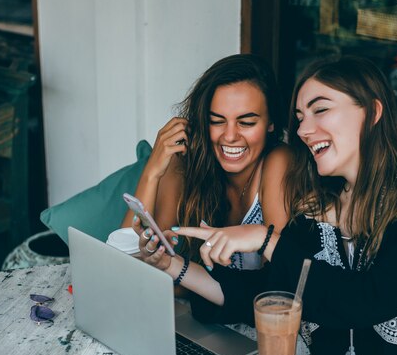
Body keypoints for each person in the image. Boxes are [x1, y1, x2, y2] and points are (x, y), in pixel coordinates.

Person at [136, 56, 397, 355]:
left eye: (320, 110)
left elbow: (365, 299)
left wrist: (266, 239)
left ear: (373, 112)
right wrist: (172, 265)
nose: (302, 129)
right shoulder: (318, 207)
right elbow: (266, 295)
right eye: (300, 117)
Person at [123, 54, 291, 270]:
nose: (230, 136)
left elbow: (276, 280)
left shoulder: (278, 161)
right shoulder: (188, 162)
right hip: (202, 298)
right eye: (217, 121)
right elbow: (126, 260)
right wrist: (152, 171)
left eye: (246, 122)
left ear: (271, 123)